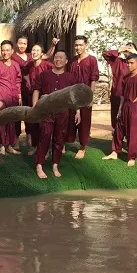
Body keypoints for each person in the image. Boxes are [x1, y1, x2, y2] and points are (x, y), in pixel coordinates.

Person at [103, 53, 137, 166]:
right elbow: (122, 95)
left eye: (132, 63)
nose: (129, 65)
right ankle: (115, 152)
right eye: (128, 63)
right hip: (125, 105)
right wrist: (120, 109)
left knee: (133, 133)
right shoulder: (126, 77)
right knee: (118, 129)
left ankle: (131, 157)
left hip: (135, 107)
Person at [33, 51, 77, 179]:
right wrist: (35, 106)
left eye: (61, 58)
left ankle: (55, 165)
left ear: (66, 61)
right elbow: (36, 89)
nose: (58, 59)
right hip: (47, 111)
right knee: (45, 136)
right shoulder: (44, 75)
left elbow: (74, 96)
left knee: (59, 139)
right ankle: (39, 165)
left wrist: (78, 111)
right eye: (56, 57)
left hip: (63, 112)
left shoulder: (70, 77)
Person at [103, 42, 137, 130]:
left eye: (130, 49)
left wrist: (135, 53)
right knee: (116, 117)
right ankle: (117, 137)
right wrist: (120, 49)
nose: (128, 50)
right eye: (126, 49)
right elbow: (106, 54)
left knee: (131, 119)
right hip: (118, 94)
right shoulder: (117, 61)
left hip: (132, 95)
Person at [68, 35, 99, 159]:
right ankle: (68, 141)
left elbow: (93, 79)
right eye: (76, 45)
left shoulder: (92, 60)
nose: (78, 47)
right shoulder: (72, 61)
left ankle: (82, 147)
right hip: (72, 95)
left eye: (80, 45)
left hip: (85, 95)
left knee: (84, 122)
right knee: (71, 119)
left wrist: (90, 97)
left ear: (86, 45)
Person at [0, 40, 22, 155]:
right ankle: (1, 146)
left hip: (13, 98)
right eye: (3, 50)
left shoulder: (16, 65)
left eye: (7, 50)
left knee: (12, 122)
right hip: (1, 99)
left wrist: (19, 96)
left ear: (12, 51)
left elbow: (18, 82)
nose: (5, 52)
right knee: (1, 122)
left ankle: (9, 145)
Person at [24, 44, 53, 155]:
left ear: (42, 54)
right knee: (34, 123)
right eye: (33, 50)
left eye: (37, 50)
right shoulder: (30, 65)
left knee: (45, 124)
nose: (34, 52)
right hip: (33, 97)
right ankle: (36, 147)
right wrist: (28, 82)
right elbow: (24, 73)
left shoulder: (47, 65)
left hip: (45, 98)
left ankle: (46, 149)